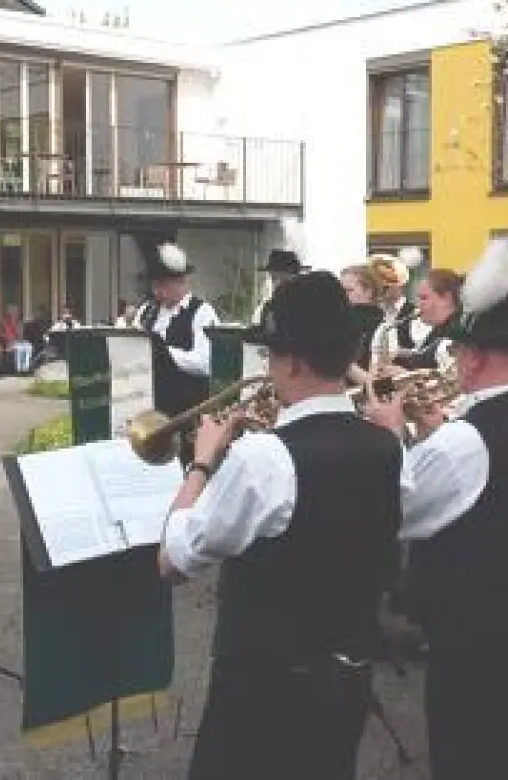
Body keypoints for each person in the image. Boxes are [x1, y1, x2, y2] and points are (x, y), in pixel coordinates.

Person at [159, 271, 401, 780]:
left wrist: (203, 462)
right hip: (346, 683)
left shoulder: (263, 458)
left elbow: (174, 560)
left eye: (269, 356)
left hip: (262, 692)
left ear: (290, 359)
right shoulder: (387, 446)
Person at [365, 257, 508, 780]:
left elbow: (394, 511)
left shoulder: (466, 440)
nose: (454, 364)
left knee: (470, 757)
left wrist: (390, 436)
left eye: (459, 352)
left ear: (475, 357)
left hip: (475, 647)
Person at [140, 243, 219, 421]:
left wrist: (164, 352)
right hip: (150, 405)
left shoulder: (202, 312)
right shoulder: (146, 311)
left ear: (181, 282)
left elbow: (205, 362)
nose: (156, 291)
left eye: (162, 284)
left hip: (186, 407)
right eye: (154, 284)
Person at [251, 248, 306, 324]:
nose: (275, 283)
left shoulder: (305, 304)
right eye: (273, 278)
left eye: (276, 277)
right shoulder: (270, 306)